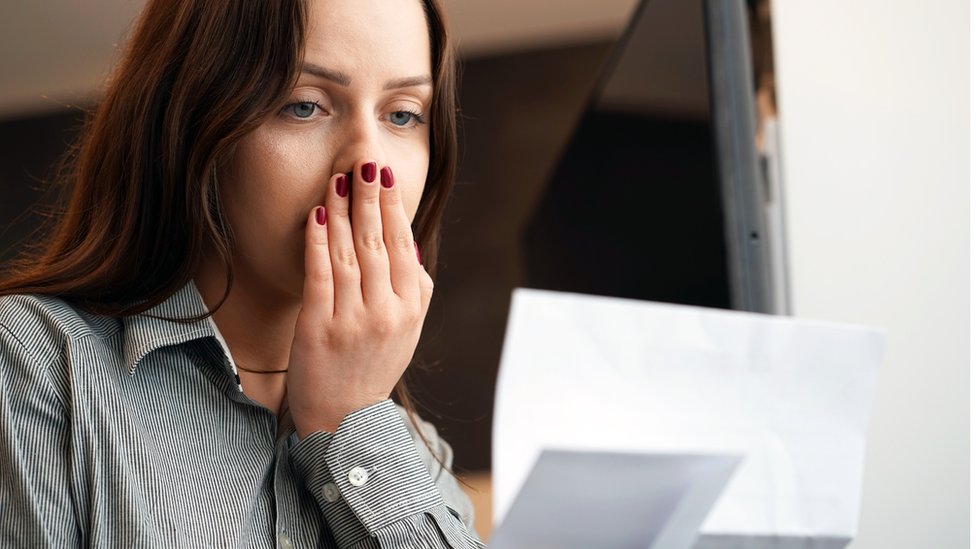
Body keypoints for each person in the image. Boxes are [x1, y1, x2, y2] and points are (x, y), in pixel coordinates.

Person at [0, 0, 484, 546]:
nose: (366, 162)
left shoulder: (417, 457)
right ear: (189, 119)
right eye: (305, 106)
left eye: (402, 115)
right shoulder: (31, 364)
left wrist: (353, 420)